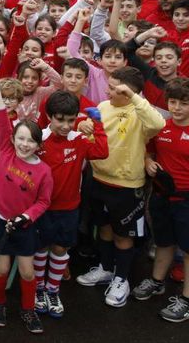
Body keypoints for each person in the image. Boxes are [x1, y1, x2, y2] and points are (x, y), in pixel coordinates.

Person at [76, 67, 165, 307]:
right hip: (98, 179)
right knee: (104, 229)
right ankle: (105, 268)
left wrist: (135, 98)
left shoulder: (139, 111)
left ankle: (121, 279)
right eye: (110, 85)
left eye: (115, 88)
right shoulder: (104, 107)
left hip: (126, 186)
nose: (108, 90)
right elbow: (93, 134)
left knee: (123, 236)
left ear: (130, 91)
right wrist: (84, 126)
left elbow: (158, 124)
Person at [0, 71, 53, 334]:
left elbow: (43, 201)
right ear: (12, 139)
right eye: (20, 138)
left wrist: (27, 216)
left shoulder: (43, 171)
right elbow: (1, 116)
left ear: (38, 144)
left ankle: (28, 309)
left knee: (26, 272)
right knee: (0, 266)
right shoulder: (7, 149)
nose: (25, 144)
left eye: (31, 140)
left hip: (22, 226)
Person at [34, 91, 108, 318]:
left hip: (68, 208)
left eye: (70, 120)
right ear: (48, 117)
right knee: (40, 248)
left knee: (60, 248)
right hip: (41, 208)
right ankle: (38, 289)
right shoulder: (39, 139)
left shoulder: (79, 140)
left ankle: (53, 290)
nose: (65, 125)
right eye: (60, 120)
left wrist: (97, 123)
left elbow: (102, 151)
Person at [135, 78, 189, 322]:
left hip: (186, 199)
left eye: (183, 103)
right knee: (164, 242)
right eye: (173, 102)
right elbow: (149, 150)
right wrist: (147, 161)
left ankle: (186, 300)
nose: (177, 108)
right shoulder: (162, 127)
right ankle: (157, 282)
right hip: (161, 195)